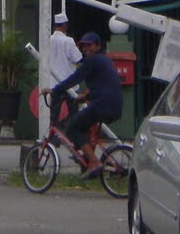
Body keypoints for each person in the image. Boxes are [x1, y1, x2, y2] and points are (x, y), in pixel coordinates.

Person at [45, 32, 123, 177]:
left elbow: (74, 78)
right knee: (84, 127)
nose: (86, 48)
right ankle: (88, 161)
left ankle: (94, 162)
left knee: (73, 128)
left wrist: (55, 90)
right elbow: (105, 85)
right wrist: (85, 96)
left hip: (102, 104)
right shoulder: (105, 60)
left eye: (89, 45)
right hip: (113, 104)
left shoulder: (92, 61)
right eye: (83, 46)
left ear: (98, 46)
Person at [47, 12, 83, 124]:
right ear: (64, 25)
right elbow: (78, 58)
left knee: (54, 117)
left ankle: (53, 138)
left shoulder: (48, 40)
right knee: (74, 115)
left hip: (54, 84)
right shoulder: (69, 41)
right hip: (70, 84)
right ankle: (74, 138)